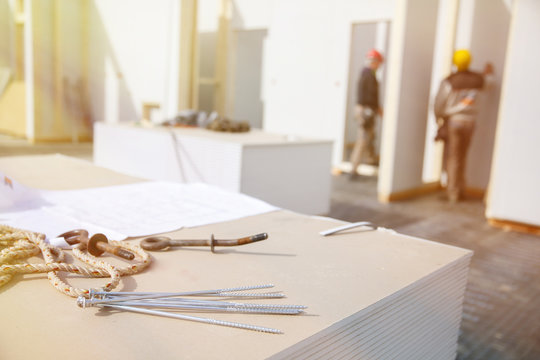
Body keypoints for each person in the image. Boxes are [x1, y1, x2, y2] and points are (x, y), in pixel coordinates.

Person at [434, 49, 494, 202]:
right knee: (463, 156)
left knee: (453, 157)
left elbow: (439, 103)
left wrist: (438, 118)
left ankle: (453, 193)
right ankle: (461, 189)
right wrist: (487, 73)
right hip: (470, 122)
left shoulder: (450, 81)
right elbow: (489, 83)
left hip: (454, 121)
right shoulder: (478, 80)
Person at [349, 49, 384, 179]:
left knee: (370, 136)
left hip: (366, 110)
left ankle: (371, 160)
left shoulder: (368, 74)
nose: (380, 65)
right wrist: (378, 109)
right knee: (363, 139)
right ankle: (353, 169)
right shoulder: (368, 75)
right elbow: (369, 97)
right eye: (379, 63)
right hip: (365, 111)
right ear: (374, 62)